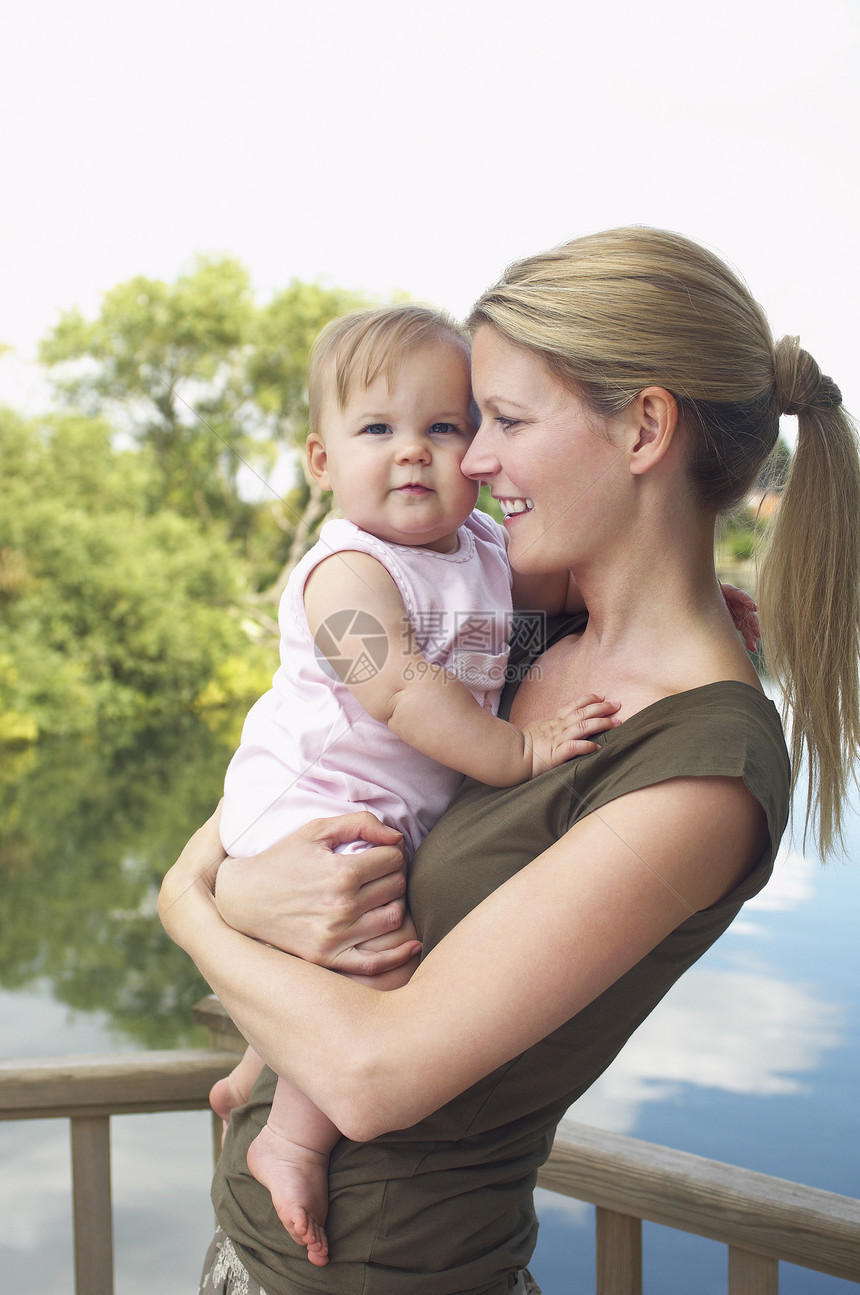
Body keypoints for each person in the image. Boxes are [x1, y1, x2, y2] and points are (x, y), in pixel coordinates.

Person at [160, 227, 860, 1295]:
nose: (471, 459)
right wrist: (249, 885)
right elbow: (317, 761)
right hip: (253, 1254)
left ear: (644, 428)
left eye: (503, 420)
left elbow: (370, 1073)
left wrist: (188, 905)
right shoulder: (531, 640)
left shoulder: (699, 770)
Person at [215, 303, 623, 1265]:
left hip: (390, 805)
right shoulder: (346, 575)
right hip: (313, 802)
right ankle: (292, 1135)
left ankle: (247, 1074)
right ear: (322, 462)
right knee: (374, 958)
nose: (413, 453)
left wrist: (675, 606)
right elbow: (399, 688)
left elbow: (550, 605)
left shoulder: (483, 547)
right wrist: (517, 754)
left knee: (356, 946)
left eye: (444, 427)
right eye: (377, 430)